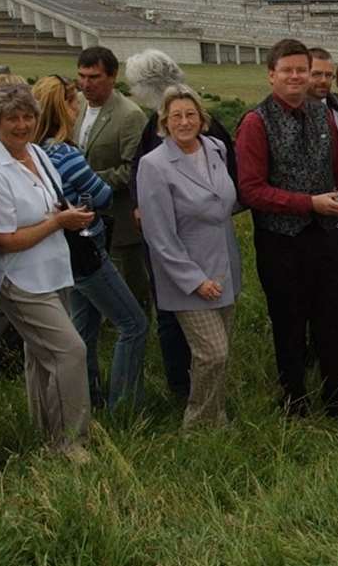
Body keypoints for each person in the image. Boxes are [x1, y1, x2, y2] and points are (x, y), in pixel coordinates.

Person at [236, 38, 338, 417]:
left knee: (336, 319)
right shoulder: (255, 123)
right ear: (272, 75)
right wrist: (307, 203)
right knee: (289, 322)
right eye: (287, 70)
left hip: (327, 235)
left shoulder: (321, 115)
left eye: (301, 70)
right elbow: (251, 190)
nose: (295, 76)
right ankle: (294, 400)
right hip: (281, 240)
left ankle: (337, 398)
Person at [0, 83, 96, 460]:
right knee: (70, 352)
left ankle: (46, 432)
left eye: (28, 116)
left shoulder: (37, 154)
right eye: (12, 118)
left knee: (40, 357)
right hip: (21, 279)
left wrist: (66, 218)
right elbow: (2, 240)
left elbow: (50, 204)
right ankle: (71, 443)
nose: (22, 124)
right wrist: (59, 222)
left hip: (52, 269)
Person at [34, 75, 150, 412]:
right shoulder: (65, 153)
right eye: (73, 102)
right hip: (86, 249)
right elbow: (99, 195)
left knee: (83, 327)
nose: (78, 108)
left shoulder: (36, 152)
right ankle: (125, 404)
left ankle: (86, 397)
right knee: (133, 324)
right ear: (64, 107)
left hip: (63, 252)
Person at [127, 48, 236, 402]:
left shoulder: (215, 147)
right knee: (210, 352)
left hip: (221, 266)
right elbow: (159, 234)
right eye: (177, 117)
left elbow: (229, 193)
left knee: (218, 354)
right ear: (165, 121)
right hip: (186, 272)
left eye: (191, 115)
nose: (184, 121)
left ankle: (212, 416)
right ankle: (195, 415)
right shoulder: (154, 162)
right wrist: (193, 279)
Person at [73, 46, 151, 314]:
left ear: (113, 76)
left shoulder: (129, 115)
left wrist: (87, 181)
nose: (85, 84)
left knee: (130, 287)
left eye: (93, 77)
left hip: (119, 220)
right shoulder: (77, 105)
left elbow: (134, 170)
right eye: (81, 76)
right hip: (84, 218)